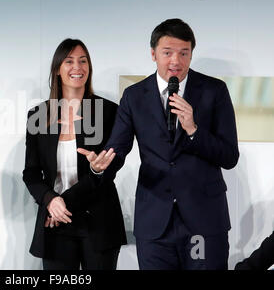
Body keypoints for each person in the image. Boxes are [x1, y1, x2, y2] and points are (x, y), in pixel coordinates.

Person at [79, 18, 239, 269]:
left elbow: (229, 157)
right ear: (153, 54)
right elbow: (117, 151)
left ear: (190, 55)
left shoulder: (214, 90)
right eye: (167, 53)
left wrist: (194, 130)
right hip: (155, 223)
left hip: (205, 221)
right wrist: (99, 168)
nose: (176, 60)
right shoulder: (134, 96)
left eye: (184, 53)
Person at [22, 38, 126, 270]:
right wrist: (50, 200)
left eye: (83, 61)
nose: (77, 67)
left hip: (97, 222)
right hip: (56, 223)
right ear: (58, 70)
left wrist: (61, 202)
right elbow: (31, 173)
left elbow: (110, 169)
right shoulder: (38, 115)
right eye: (69, 61)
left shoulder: (108, 112)